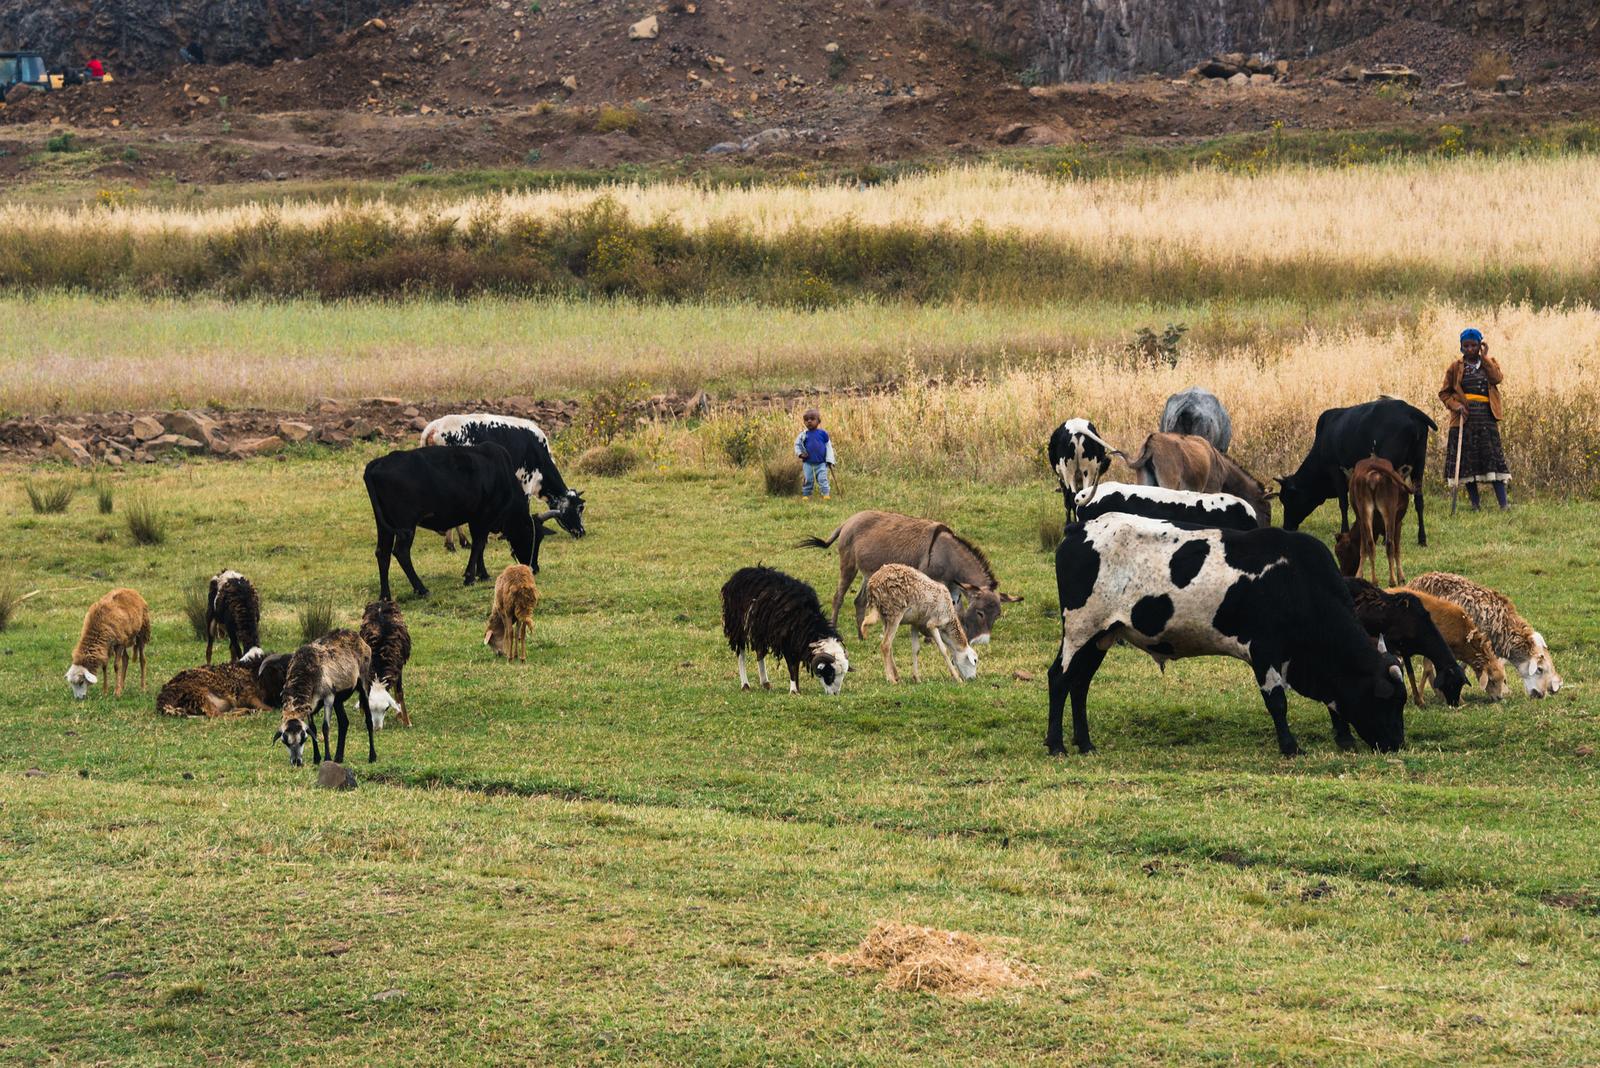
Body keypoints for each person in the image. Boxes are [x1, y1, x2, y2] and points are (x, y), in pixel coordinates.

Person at [1439, 327, 1510, 510]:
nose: (1470, 349)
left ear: (1480, 345)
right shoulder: (1455, 367)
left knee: (1493, 460)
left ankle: (1503, 504)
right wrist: (1456, 405)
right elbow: (1444, 393)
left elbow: (1497, 378)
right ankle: (1475, 504)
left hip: (1486, 419)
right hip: (1464, 420)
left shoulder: (1489, 363)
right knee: (1467, 463)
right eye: (1466, 346)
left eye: (1473, 345)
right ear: (1461, 347)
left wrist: (1485, 357)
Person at [794, 407, 835, 501]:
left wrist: (829, 460)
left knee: (822, 479)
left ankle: (825, 494)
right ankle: (806, 494)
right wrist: (800, 454)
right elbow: (797, 445)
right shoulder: (803, 435)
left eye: (812, 419)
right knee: (808, 479)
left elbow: (829, 447)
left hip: (821, 463)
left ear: (818, 421)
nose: (809, 421)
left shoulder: (823, 434)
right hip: (808, 463)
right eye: (806, 420)